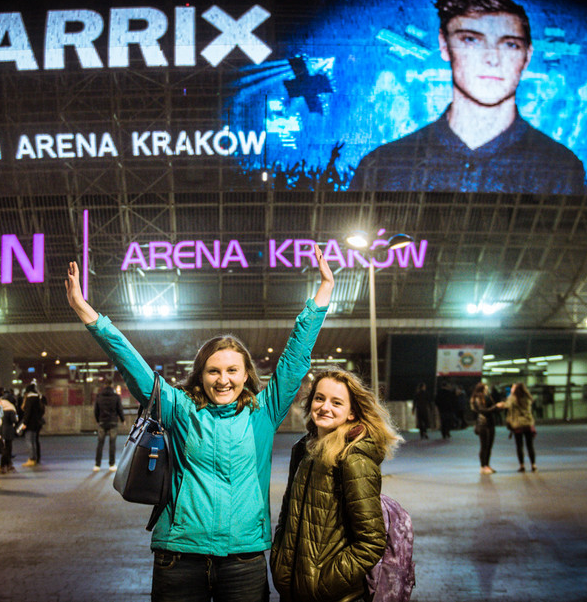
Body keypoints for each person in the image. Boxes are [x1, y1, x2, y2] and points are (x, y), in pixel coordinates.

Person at [65, 244, 334, 602]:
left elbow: (296, 359)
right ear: (201, 375)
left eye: (232, 371)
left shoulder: (264, 412)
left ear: (246, 374)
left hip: (243, 558)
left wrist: (322, 295)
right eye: (214, 371)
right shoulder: (179, 408)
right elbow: (133, 366)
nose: (223, 380)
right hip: (179, 557)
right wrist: (89, 315)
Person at [352, 0, 585, 194]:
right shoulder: (382, 165)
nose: (492, 58)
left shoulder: (561, 167)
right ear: (444, 45)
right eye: (471, 40)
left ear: (527, 55)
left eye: (510, 44)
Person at [271, 368, 401, 602]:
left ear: (352, 413)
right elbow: (287, 514)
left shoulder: (354, 459)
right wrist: (279, 560)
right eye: (319, 398)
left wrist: (325, 583)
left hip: (331, 595)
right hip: (291, 591)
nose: (324, 407)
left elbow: (371, 541)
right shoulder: (302, 449)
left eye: (337, 402)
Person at [469, 382, 503, 474]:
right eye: (485, 388)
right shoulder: (477, 398)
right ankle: (482, 466)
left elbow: (492, 408)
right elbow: (482, 410)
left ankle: (487, 465)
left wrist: (499, 407)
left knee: (489, 446)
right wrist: (495, 407)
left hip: (491, 423)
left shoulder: (488, 397)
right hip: (483, 424)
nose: (487, 389)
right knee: (484, 446)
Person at [505, 382, 537, 472]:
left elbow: (507, 406)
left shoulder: (513, 398)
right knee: (530, 445)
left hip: (517, 425)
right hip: (528, 424)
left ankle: (522, 465)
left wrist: (511, 394)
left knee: (519, 446)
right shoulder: (528, 398)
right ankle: (533, 465)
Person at [93, 381, 125, 471]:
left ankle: (97, 465)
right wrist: (123, 420)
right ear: (112, 386)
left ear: (104, 385)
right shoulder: (116, 397)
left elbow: (96, 410)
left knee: (100, 444)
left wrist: (98, 420)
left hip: (102, 422)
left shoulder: (99, 396)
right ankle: (112, 464)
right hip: (113, 422)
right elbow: (119, 409)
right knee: (112, 444)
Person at [17, 384, 45, 467]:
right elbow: (41, 411)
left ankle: (31, 459)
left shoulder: (30, 399)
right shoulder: (38, 399)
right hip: (36, 423)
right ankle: (35, 458)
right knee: (34, 441)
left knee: (29, 441)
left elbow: (27, 413)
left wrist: (24, 423)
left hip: (30, 424)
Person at [0, 387, 18, 474]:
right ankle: (3, 466)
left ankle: (9, 464)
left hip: (1, 430)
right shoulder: (11, 408)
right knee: (7, 449)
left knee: (5, 448)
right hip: (8, 431)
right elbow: (14, 420)